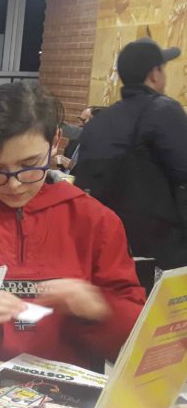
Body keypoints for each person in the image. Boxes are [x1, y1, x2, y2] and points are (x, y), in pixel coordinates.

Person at [0, 81, 144, 370]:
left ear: (56, 140)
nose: (14, 184)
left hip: (67, 385)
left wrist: (99, 308)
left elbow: (138, 339)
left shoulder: (96, 221)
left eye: (29, 165)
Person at [75, 37, 187, 269]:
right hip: (160, 252)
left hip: (106, 249)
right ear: (154, 74)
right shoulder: (164, 110)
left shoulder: (98, 121)